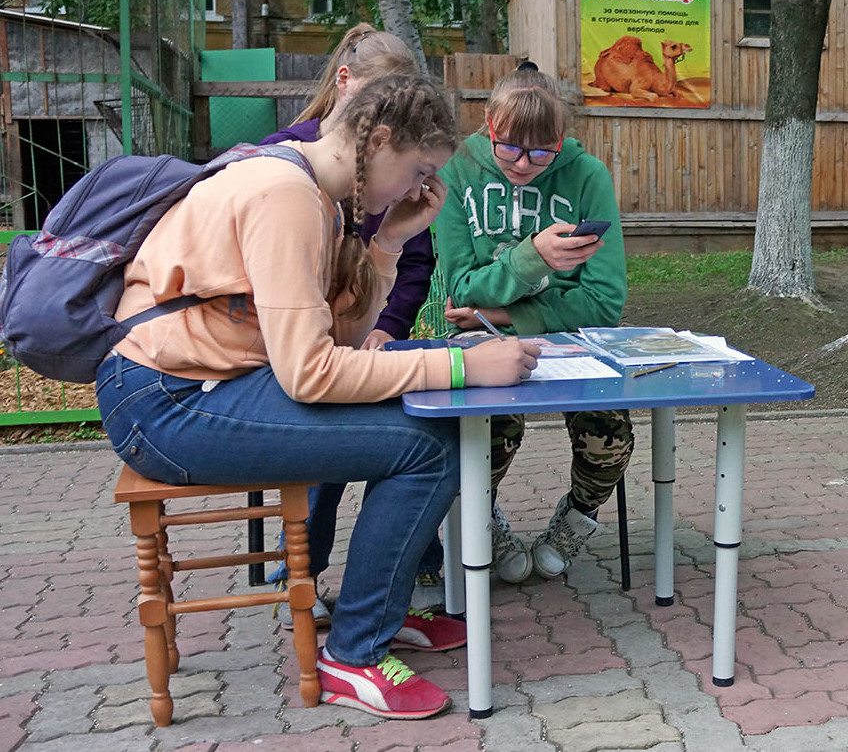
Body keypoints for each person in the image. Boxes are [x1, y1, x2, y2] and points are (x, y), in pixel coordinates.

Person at [95, 74, 539, 719]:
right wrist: (460, 367)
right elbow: (311, 375)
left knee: (426, 414)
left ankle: (377, 611)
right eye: (417, 170)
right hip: (167, 405)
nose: (419, 189)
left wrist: (388, 244)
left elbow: (341, 342)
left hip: (206, 385)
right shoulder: (285, 195)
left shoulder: (313, 190)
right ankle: (354, 655)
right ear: (379, 140)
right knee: (429, 446)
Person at [260, 24, 447, 619]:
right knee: (340, 430)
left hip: (365, 335)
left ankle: (414, 569)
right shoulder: (287, 171)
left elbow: (413, 265)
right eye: (378, 96)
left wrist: (383, 330)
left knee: (415, 424)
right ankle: (303, 576)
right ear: (345, 84)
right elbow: (304, 352)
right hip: (291, 352)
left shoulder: (394, 175)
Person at [433, 62, 633, 583]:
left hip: (568, 340)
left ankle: (578, 518)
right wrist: (534, 258)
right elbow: (460, 290)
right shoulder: (457, 173)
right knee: (491, 428)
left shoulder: (587, 176)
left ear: (562, 139)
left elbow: (605, 302)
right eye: (510, 149)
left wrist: (503, 311)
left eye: (543, 151)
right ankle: (483, 513)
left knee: (609, 432)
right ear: (489, 127)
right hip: (484, 341)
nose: (524, 164)